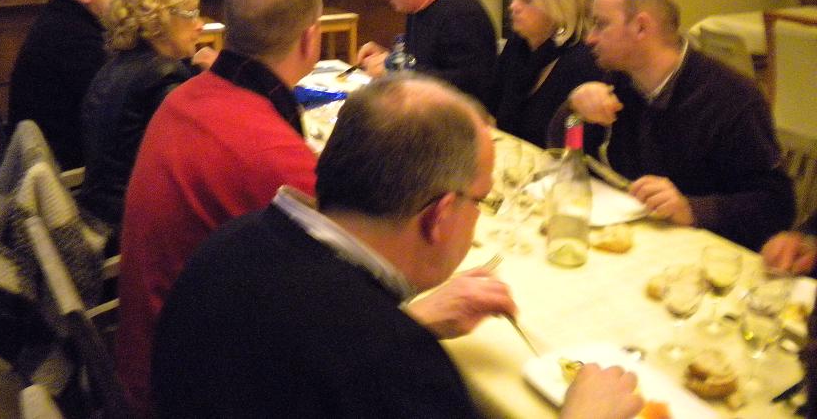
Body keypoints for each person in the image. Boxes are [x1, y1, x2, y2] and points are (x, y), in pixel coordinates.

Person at [151, 74, 644, 419]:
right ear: (440, 215)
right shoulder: (396, 369)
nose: (478, 212)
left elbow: (291, 367)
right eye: (480, 199)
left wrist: (406, 320)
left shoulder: (229, 244)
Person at [116, 0, 323, 417]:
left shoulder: (185, 98)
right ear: (310, 38)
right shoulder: (273, 158)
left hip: (145, 359)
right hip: (185, 393)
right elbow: (342, 306)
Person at [561, 0, 794, 250]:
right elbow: (565, 156)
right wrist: (573, 110)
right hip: (632, 239)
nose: (590, 38)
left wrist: (693, 209)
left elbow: (777, 205)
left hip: (697, 254)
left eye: (601, 24)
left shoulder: (731, 97)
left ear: (641, 27)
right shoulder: (616, 77)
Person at [76, 0, 215, 241]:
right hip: (136, 231)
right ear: (161, 19)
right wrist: (220, 83)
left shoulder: (116, 67)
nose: (200, 25)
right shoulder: (161, 78)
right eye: (191, 13)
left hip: (99, 214)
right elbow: (199, 166)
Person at [7, 0, 128, 170]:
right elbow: (112, 112)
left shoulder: (61, 19)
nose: (125, 3)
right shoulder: (73, 38)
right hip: (66, 169)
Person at [356, 0, 496, 105]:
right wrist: (389, 59)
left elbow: (466, 87)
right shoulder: (419, 8)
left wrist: (394, 70)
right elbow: (425, 66)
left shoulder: (461, 13)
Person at [487, 0, 602, 147]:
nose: (513, 7)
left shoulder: (584, 61)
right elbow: (491, 109)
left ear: (560, 6)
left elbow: (576, 144)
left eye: (527, 0)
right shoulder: (518, 46)